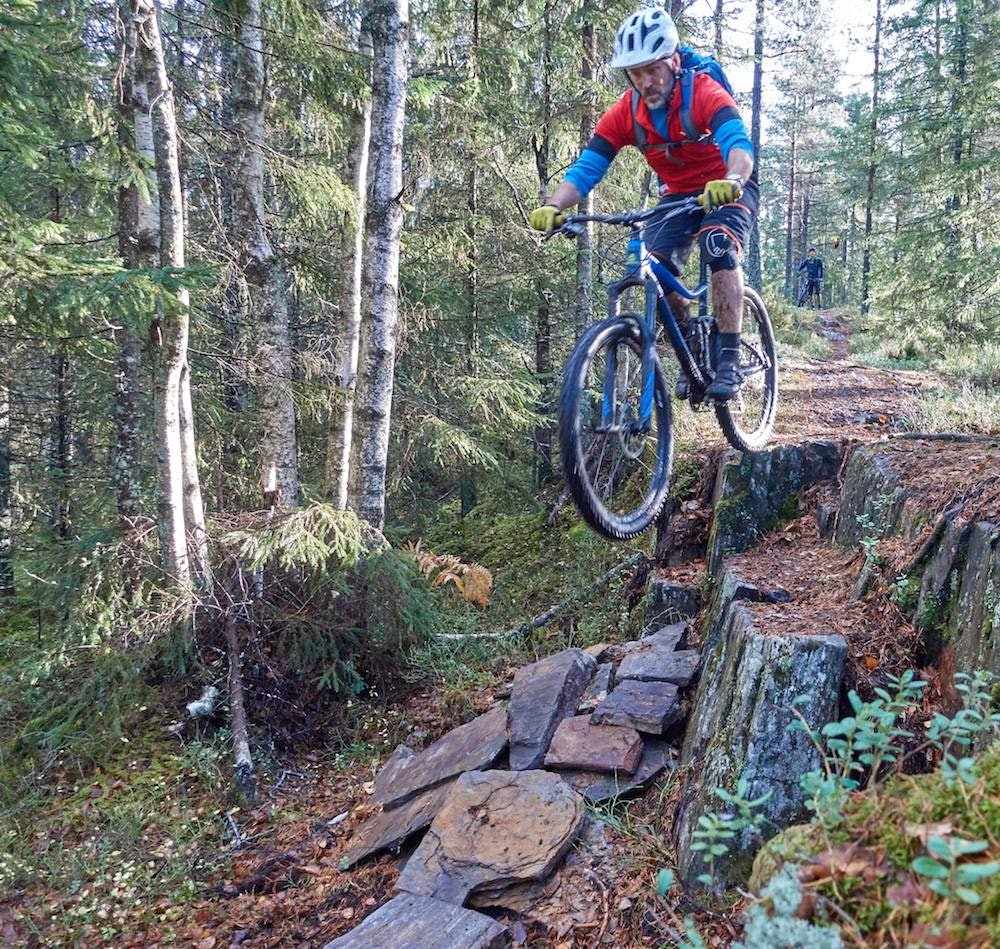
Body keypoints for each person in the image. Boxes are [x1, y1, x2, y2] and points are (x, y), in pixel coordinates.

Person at [528, 6, 757, 402]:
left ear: (672, 61)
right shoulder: (625, 113)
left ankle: (730, 357)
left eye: (653, 70)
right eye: (636, 73)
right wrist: (555, 205)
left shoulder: (703, 91)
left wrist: (732, 180)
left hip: (729, 184)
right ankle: (690, 345)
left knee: (717, 242)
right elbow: (587, 168)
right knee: (653, 266)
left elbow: (739, 146)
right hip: (679, 195)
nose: (646, 82)